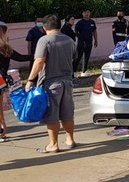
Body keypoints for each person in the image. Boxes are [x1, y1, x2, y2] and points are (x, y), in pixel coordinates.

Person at [25, 14, 76, 153]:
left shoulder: (44, 40)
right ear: (59, 25)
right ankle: (70, 139)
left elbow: (39, 61)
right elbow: (74, 58)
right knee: (67, 112)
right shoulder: (70, 40)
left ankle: (53, 144)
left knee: (52, 115)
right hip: (68, 81)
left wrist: (30, 80)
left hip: (51, 83)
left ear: (44, 27)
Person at [0, 21, 32, 142]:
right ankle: (2, 130)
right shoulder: (5, 48)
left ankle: (2, 130)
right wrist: (39, 55)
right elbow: (21, 57)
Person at [73, 10, 97, 76]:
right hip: (81, 43)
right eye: (85, 12)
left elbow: (94, 31)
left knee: (87, 57)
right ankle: (74, 71)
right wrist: (80, 38)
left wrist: (96, 40)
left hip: (89, 42)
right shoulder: (80, 23)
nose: (87, 14)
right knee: (78, 57)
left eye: (88, 12)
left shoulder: (92, 22)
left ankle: (84, 71)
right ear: (82, 13)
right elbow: (76, 32)